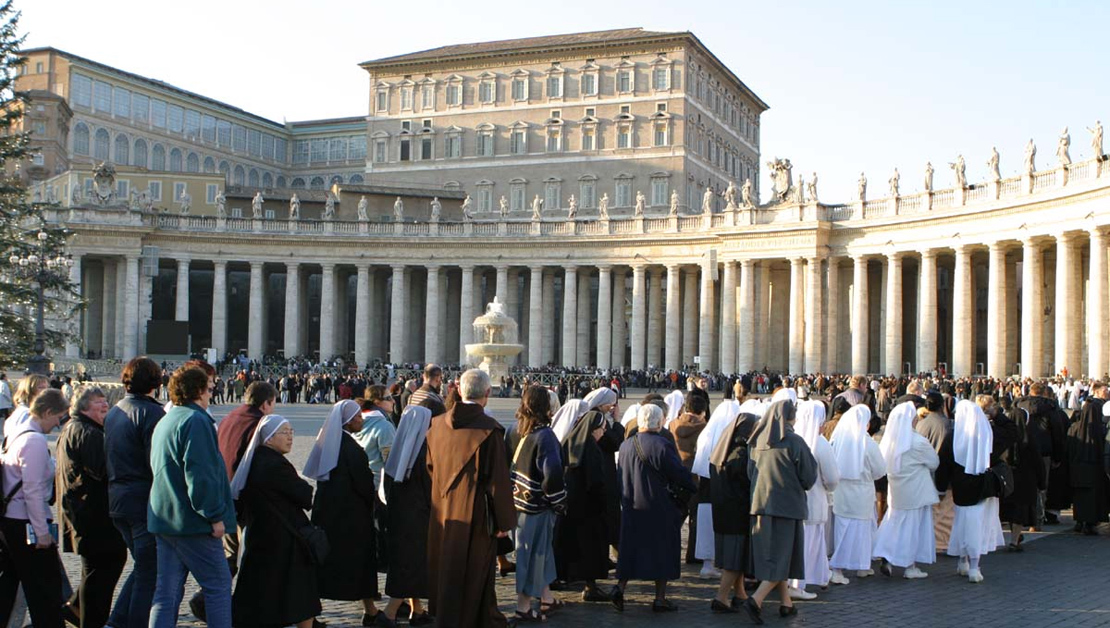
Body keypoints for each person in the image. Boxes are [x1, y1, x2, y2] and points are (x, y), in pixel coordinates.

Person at [148, 365, 237, 628]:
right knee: (218, 585)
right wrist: (214, 516)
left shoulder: (167, 419)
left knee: (166, 592)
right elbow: (200, 476)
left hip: (165, 518)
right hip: (193, 522)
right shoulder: (196, 421)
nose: (211, 394)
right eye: (209, 389)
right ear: (199, 390)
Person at [425, 369, 516, 627]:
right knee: (477, 570)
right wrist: (503, 522)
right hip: (476, 514)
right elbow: (498, 481)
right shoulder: (489, 430)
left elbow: (429, 466)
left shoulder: (437, 424)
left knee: (447, 565)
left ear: (460, 390)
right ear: (487, 393)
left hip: (442, 508)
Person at [230, 415, 323, 628]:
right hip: (283, 537)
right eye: (284, 433)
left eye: (291, 432)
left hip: (262, 535)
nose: (290, 437)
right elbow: (304, 494)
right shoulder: (273, 464)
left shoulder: (257, 459)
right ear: (269, 438)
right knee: (299, 593)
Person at [302, 400, 385, 626]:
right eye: (357, 416)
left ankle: (311, 614)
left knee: (324, 562)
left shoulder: (330, 443)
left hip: (327, 513)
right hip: (352, 517)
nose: (361, 419)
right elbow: (363, 482)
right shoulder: (351, 448)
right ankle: (370, 610)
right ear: (347, 421)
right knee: (360, 563)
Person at [611, 404, 697, 613]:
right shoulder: (661, 444)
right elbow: (679, 474)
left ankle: (619, 588)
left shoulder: (626, 445)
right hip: (659, 507)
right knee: (663, 551)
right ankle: (660, 598)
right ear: (659, 422)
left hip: (632, 506)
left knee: (630, 550)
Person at [56, 385, 127, 628]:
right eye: (99, 402)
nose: (105, 405)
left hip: (85, 516)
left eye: (105, 400)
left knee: (96, 571)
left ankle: (76, 609)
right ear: (84, 407)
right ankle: (87, 618)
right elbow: (105, 471)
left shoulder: (78, 428)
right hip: (93, 517)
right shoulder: (88, 433)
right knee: (101, 572)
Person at [741, 400, 818, 624]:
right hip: (786, 507)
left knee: (778, 556)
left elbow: (749, 473)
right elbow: (808, 477)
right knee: (782, 557)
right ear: (791, 418)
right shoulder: (794, 441)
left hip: (760, 506)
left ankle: (786, 603)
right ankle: (755, 600)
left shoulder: (755, 441)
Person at [103, 357, 166, 628]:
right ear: (156, 382)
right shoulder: (152, 414)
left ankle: (116, 622)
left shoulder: (116, 410)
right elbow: (157, 463)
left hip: (117, 498)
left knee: (143, 566)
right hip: (142, 500)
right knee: (149, 572)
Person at [0, 388, 69, 628]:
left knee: (10, 585)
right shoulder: (35, 441)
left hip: (11, 520)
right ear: (47, 412)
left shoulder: (18, 433)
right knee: (45, 590)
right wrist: (42, 533)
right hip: (26, 523)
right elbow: (33, 492)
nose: (58, 424)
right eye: (58, 417)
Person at [510, 387, 566, 621]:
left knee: (539, 553)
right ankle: (523, 608)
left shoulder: (516, 429)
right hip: (536, 506)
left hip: (517, 502)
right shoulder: (545, 436)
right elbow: (552, 475)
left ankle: (547, 598)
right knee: (533, 555)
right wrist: (559, 501)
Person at [938, 399, 1006, 583]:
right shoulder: (986, 434)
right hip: (982, 486)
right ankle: (974, 566)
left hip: (961, 487)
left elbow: (943, 464)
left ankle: (963, 561)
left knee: (962, 524)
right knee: (977, 526)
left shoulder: (953, 436)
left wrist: (941, 487)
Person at [555, 393, 614, 602]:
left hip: (574, 505)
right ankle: (591, 586)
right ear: (593, 428)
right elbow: (596, 480)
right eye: (602, 428)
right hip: (590, 507)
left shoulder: (572, 442)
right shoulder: (591, 448)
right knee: (591, 547)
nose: (604, 431)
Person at [215, 380, 277, 577]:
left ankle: (210, 600)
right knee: (253, 552)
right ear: (265, 404)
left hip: (225, 492)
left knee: (231, 552)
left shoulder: (229, 417)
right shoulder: (259, 424)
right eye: (273, 404)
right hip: (247, 496)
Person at [380, 405, 434, 626]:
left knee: (408, 562)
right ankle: (389, 613)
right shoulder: (422, 451)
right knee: (411, 565)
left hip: (398, 516)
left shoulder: (398, 447)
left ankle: (417, 609)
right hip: (417, 518)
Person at [873, 401, 940, 579]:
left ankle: (887, 554)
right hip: (916, 491)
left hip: (896, 490)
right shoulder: (918, 441)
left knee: (893, 523)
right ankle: (910, 566)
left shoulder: (889, 441)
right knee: (913, 529)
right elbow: (934, 463)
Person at [707, 407, 759, 613]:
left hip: (722, 513)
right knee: (734, 560)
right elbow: (747, 484)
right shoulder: (740, 454)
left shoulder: (722, 451)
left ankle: (740, 594)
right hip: (737, 513)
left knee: (735, 556)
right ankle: (721, 597)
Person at [786, 399, 839, 600]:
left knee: (805, 544)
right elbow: (832, 478)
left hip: (794, 502)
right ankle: (798, 585)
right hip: (815, 501)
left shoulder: (792, 439)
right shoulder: (820, 444)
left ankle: (821, 576)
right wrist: (829, 488)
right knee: (811, 545)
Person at [828, 405, 886, 585]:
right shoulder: (867, 444)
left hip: (842, 494)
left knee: (844, 531)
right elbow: (880, 470)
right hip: (862, 494)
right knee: (862, 531)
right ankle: (845, 567)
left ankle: (858, 565)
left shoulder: (837, 440)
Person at [671, 394, 709, 573]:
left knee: (676, 516)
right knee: (695, 517)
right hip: (694, 475)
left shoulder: (673, 424)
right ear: (701, 411)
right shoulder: (704, 427)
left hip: (675, 473)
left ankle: (668, 549)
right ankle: (692, 554)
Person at [1066, 391, 1109, 534]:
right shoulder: (1099, 430)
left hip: (1077, 467)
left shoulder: (1074, 428)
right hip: (1094, 468)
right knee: (1093, 497)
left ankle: (1079, 521)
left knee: (1079, 496)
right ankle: (1090, 523)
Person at [4, 373, 49, 438]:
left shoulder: (26, 411)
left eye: (47, 387)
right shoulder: (26, 414)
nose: (46, 391)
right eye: (41, 388)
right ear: (29, 391)